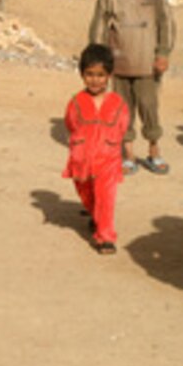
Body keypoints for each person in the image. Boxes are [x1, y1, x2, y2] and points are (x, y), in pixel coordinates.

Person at [89, 0, 175, 176]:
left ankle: (154, 152)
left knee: (149, 106)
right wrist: (97, 60)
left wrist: (163, 52)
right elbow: (99, 24)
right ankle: (127, 155)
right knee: (122, 110)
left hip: (148, 62)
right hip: (119, 62)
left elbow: (165, 20)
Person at [63, 43, 129, 255]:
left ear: (108, 75)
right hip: (82, 160)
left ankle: (105, 237)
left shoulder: (118, 104)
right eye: (89, 74)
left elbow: (123, 127)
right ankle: (96, 216)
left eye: (100, 75)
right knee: (87, 194)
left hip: (107, 161)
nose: (95, 79)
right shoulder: (76, 102)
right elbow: (70, 123)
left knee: (105, 197)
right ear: (82, 75)